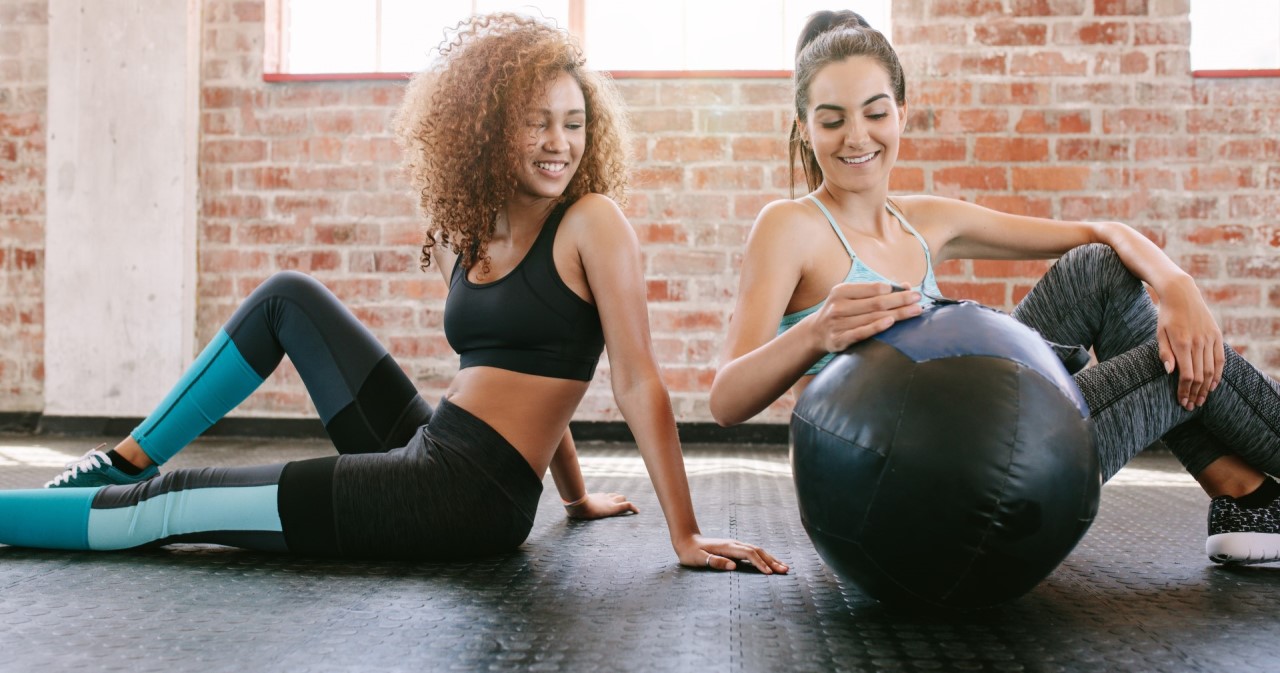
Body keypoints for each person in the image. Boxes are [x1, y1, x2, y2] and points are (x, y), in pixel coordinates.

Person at [3, 13, 788, 575]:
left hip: (460, 498)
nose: (559, 142)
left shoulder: (592, 222)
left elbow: (631, 376)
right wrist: (576, 497)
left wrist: (684, 534)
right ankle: (119, 460)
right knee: (287, 298)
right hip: (434, 450)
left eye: (574, 124)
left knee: (174, 504)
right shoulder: (480, 223)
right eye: (537, 122)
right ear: (486, 128)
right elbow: (543, 361)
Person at [710, 10, 1280, 565]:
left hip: (989, 431)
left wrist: (1178, 287)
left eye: (875, 113)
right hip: (937, 482)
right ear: (804, 129)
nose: (856, 136)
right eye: (832, 120)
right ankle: (1247, 494)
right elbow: (726, 400)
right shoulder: (789, 227)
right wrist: (815, 332)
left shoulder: (924, 220)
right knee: (1177, 356)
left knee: (1097, 270)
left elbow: (1101, 233)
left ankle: (1245, 497)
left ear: (902, 114)